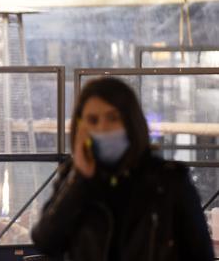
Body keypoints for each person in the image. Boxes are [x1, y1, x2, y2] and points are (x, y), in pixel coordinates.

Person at [31, 77, 214, 261]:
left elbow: (200, 253)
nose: (102, 128)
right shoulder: (73, 178)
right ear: (80, 128)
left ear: (131, 121)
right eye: (92, 120)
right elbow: (46, 241)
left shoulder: (168, 181)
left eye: (113, 118)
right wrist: (80, 179)